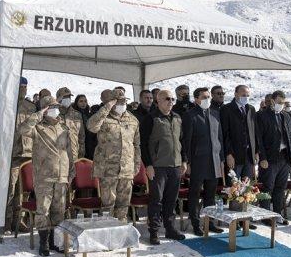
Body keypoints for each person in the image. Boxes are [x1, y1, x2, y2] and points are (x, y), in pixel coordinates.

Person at [18, 95, 77, 256]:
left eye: (56, 107)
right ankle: (43, 242)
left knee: (59, 210)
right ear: (45, 110)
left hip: (61, 176)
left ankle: (55, 241)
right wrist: (39, 113)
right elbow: (22, 129)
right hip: (44, 176)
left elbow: (70, 152)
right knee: (43, 210)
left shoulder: (64, 128)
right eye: (51, 107)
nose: (55, 110)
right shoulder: (37, 128)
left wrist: (71, 171)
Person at [140, 89, 187, 244]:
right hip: (158, 166)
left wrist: (184, 161)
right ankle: (154, 231)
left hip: (175, 165)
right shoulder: (151, 118)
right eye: (167, 99)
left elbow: (182, 142)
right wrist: (148, 165)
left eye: (172, 99)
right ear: (158, 101)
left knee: (171, 200)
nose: (171, 102)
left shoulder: (177, 118)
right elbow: (144, 144)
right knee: (156, 200)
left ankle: (170, 229)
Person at [87, 89, 141, 223]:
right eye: (119, 101)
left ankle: (121, 231)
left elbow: (136, 145)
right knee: (108, 205)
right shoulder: (103, 117)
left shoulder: (133, 120)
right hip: (108, 170)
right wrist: (107, 107)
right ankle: (107, 232)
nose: (122, 103)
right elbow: (91, 127)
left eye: (124, 101)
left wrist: (136, 164)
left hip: (126, 169)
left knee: (123, 205)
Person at [183, 87, 225, 235]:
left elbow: (220, 138)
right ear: (196, 99)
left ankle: (210, 222)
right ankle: (195, 224)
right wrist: (186, 161)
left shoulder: (214, 113)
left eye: (208, 97)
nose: (207, 99)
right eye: (204, 97)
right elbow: (186, 141)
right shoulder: (190, 115)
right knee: (194, 194)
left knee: (210, 195)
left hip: (214, 160)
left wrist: (221, 158)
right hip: (197, 161)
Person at [256, 90, 291, 224]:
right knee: (267, 187)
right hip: (269, 158)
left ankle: (277, 215)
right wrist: (262, 158)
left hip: (284, 157)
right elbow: (259, 139)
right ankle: (265, 215)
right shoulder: (262, 116)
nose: (281, 105)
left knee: (280, 187)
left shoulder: (286, 115)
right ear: (272, 101)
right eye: (279, 102)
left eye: (283, 103)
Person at [7, 77, 37, 233]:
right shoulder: (6, 104)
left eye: (25, 87)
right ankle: (6, 221)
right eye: (20, 87)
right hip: (11, 154)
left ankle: (20, 220)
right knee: (10, 189)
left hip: (28, 152)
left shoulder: (31, 107)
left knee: (25, 190)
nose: (23, 90)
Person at [220, 85, 258, 180]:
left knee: (247, 188)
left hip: (249, 156)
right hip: (234, 156)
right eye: (243, 95)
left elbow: (254, 132)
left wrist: (256, 151)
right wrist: (229, 154)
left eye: (247, 95)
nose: (246, 97)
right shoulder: (226, 109)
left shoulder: (251, 109)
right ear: (235, 94)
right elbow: (225, 134)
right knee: (233, 188)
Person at [55, 87, 86, 159]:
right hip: (58, 155)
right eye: (65, 97)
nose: (68, 99)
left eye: (69, 97)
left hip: (73, 155)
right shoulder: (53, 113)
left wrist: (81, 154)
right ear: (59, 98)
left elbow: (81, 136)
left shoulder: (77, 115)